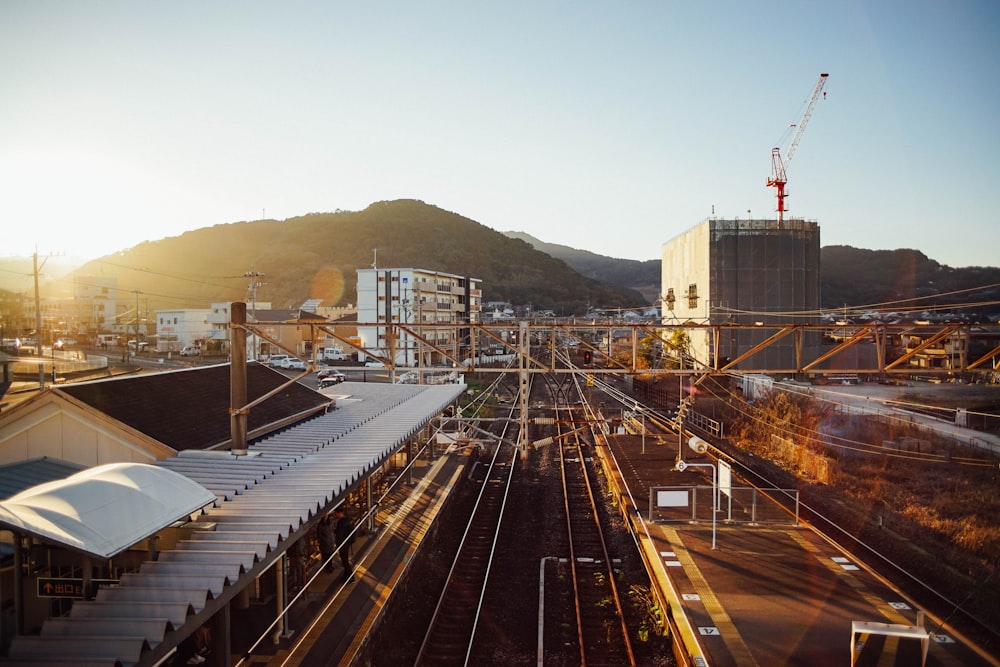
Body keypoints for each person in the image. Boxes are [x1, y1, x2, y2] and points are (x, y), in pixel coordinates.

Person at [334, 507, 356, 582]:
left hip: (343, 544)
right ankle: (347, 575)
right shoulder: (347, 520)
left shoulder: (341, 522)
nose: (335, 515)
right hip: (346, 543)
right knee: (345, 560)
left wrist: (338, 544)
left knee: (345, 561)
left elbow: (340, 535)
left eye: (336, 513)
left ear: (339, 513)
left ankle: (350, 576)